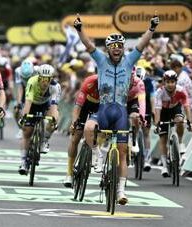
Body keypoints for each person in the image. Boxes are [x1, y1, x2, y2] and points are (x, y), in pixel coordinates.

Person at [73, 13, 159, 205]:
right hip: (103, 109)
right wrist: (80, 30)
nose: (117, 50)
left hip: (120, 111)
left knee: (122, 152)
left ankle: (120, 191)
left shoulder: (129, 62)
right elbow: (88, 45)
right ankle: (96, 152)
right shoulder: (101, 61)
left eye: (120, 47)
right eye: (113, 47)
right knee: (88, 128)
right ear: (108, 49)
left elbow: (142, 44)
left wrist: (151, 29)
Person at [18, 64, 61, 175]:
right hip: (33, 104)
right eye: (42, 78)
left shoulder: (55, 87)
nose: (44, 82)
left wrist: (54, 121)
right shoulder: (32, 82)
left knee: (52, 121)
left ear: (51, 78)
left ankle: (45, 139)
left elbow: (54, 107)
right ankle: (23, 160)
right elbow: (28, 103)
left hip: (45, 104)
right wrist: (24, 117)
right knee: (27, 131)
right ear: (38, 77)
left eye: (47, 79)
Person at [63, 74, 100, 188]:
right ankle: (69, 173)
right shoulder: (89, 82)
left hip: (101, 107)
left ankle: (95, 155)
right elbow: (77, 107)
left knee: (100, 131)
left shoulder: (111, 85)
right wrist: (75, 122)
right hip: (85, 106)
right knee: (76, 136)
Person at [154, 70, 192, 177]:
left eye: (172, 82)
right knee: (163, 138)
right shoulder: (159, 92)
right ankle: (165, 166)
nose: (170, 84)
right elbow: (157, 110)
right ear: (164, 82)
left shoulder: (181, 90)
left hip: (175, 109)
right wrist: (157, 124)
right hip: (163, 112)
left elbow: (187, 107)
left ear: (176, 82)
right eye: (168, 82)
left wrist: (190, 122)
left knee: (180, 120)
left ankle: (179, 142)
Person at [14, 59, 37, 138]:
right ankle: (21, 128)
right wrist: (19, 103)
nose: (26, 80)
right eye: (24, 78)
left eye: (28, 78)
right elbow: (20, 88)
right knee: (17, 110)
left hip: (35, 88)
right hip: (24, 89)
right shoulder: (17, 71)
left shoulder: (37, 70)